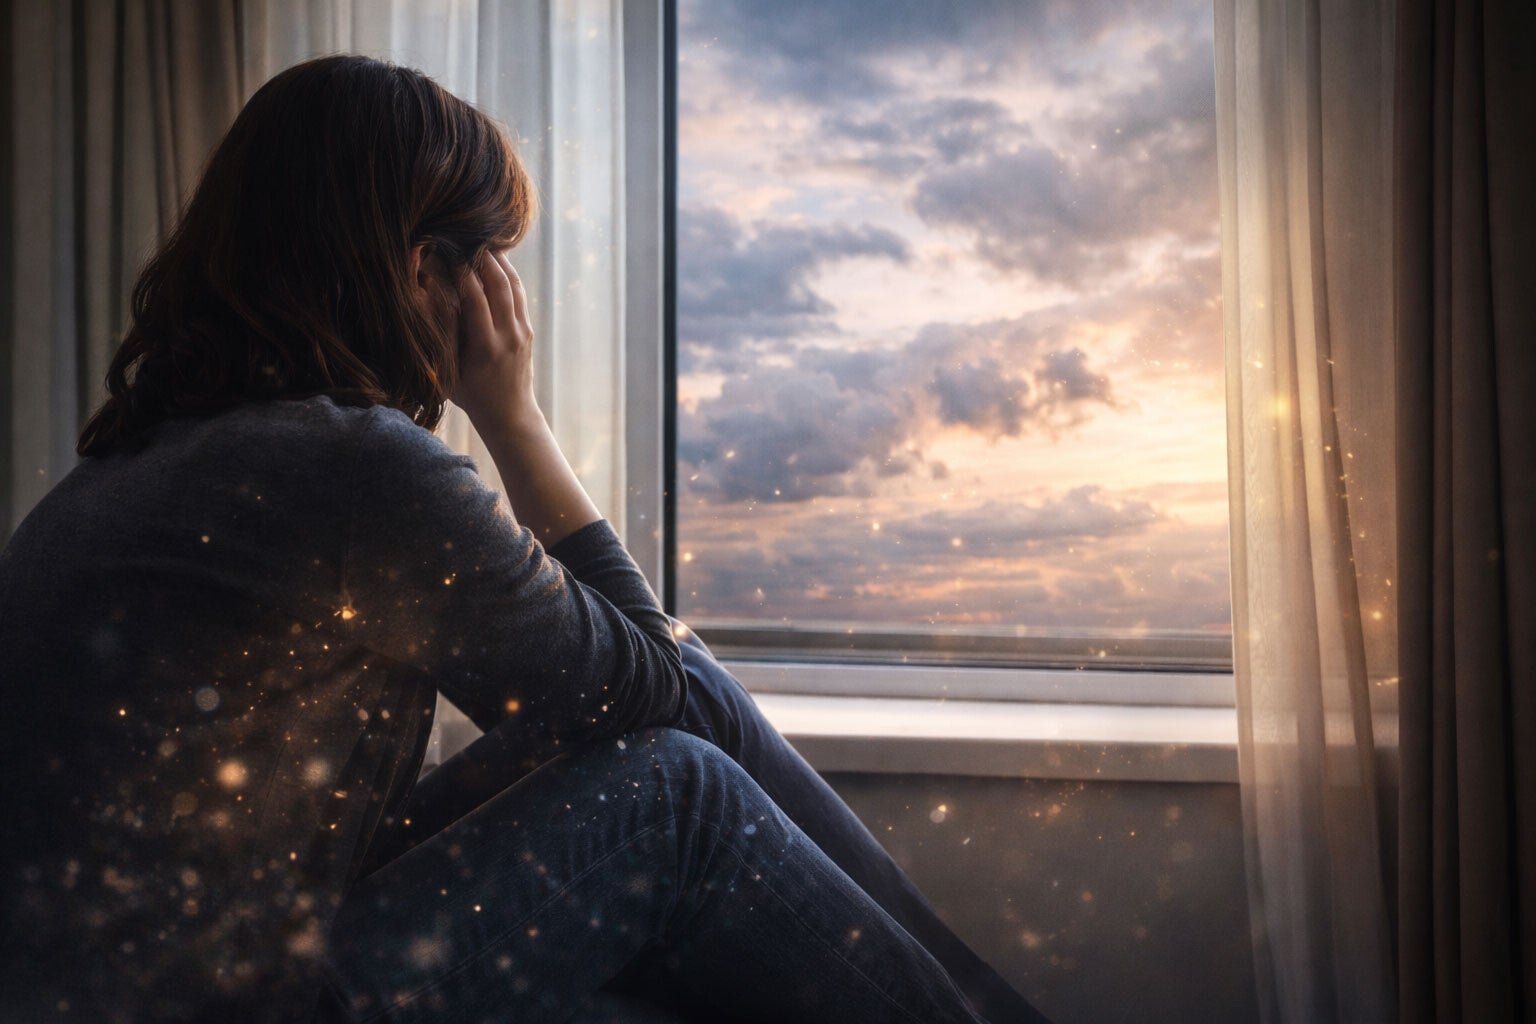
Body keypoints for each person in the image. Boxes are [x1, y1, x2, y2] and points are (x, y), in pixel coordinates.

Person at [0, 55, 1051, 1024]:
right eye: (491, 266)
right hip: (232, 1001)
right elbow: (647, 692)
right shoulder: (350, 465)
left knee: (684, 699)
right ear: (423, 272)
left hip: (157, 970)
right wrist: (513, 417)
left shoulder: (147, 458)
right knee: (678, 788)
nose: (505, 301)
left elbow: (633, 685)